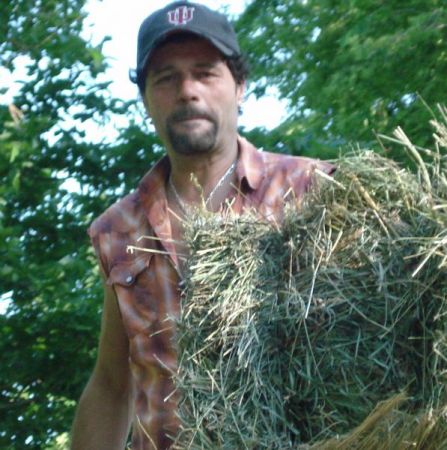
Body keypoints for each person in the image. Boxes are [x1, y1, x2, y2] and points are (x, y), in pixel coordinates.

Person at [70, 1, 334, 449]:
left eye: (205, 73)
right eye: (166, 77)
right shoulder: (118, 229)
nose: (187, 90)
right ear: (145, 98)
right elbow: (114, 383)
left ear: (240, 86)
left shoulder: (312, 189)